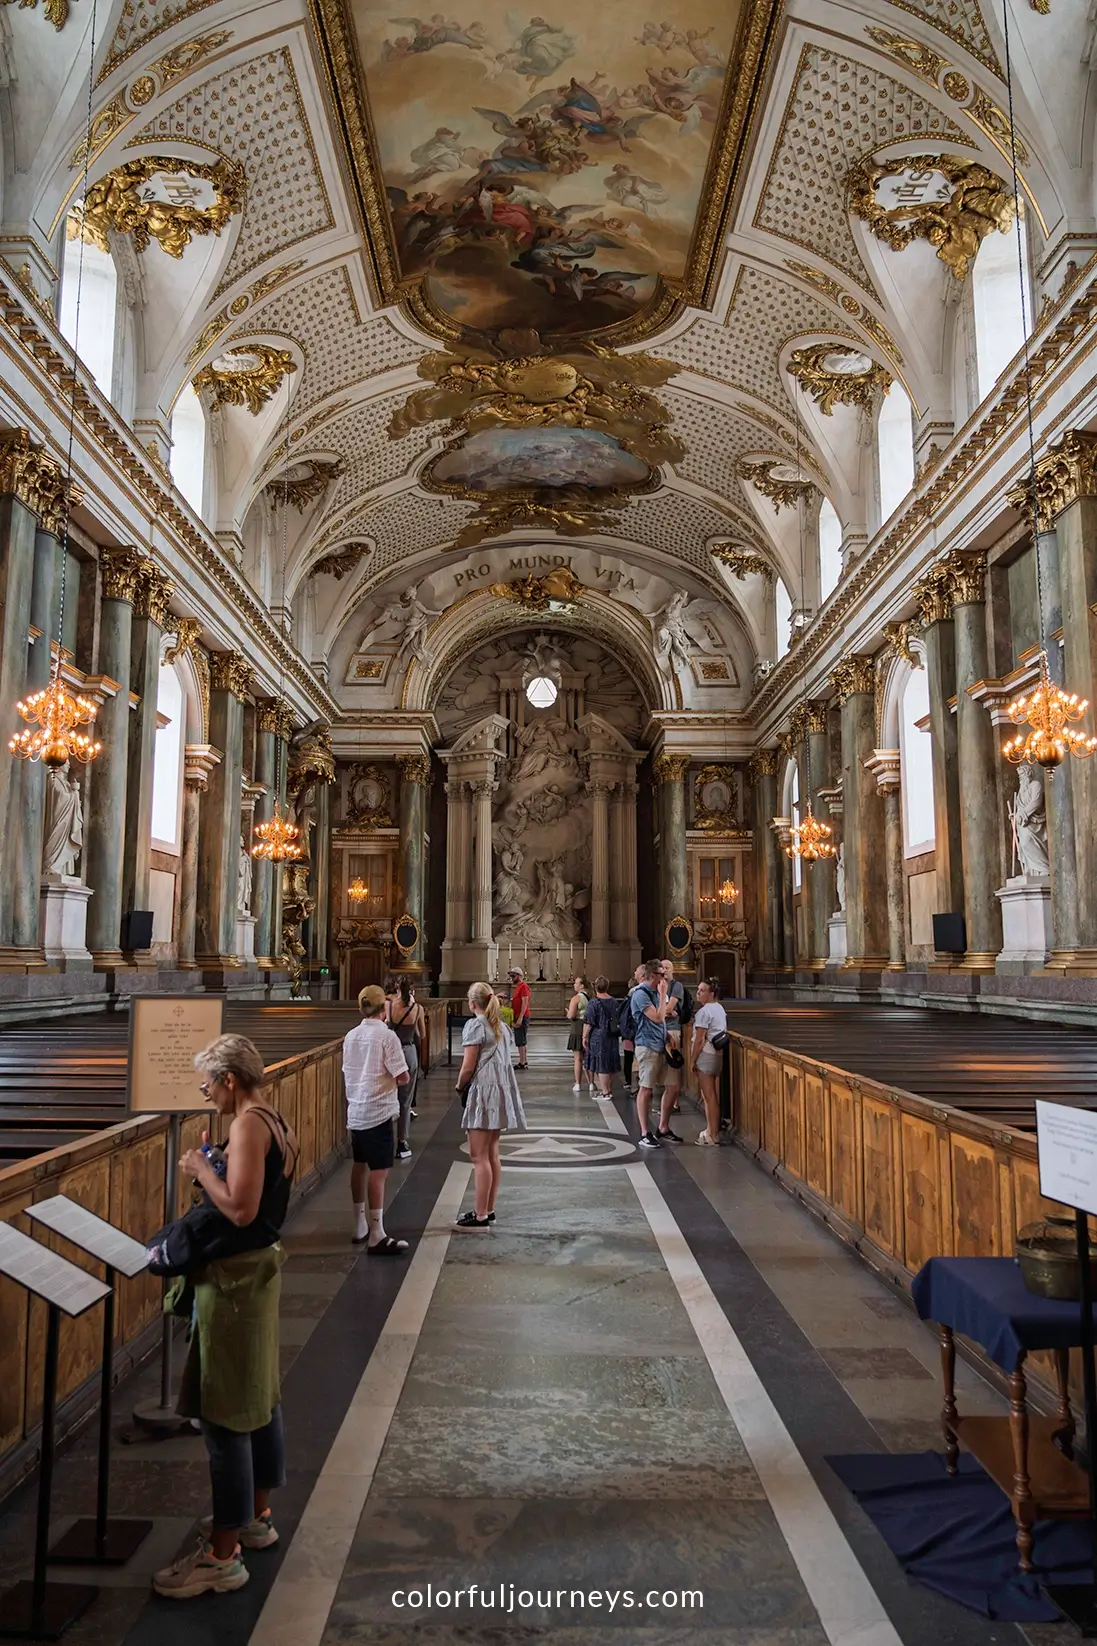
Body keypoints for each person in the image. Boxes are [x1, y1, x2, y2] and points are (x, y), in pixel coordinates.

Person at [152, 1035, 298, 1599]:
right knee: (257, 1399)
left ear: (230, 1080)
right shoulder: (272, 1117)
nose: (205, 1092)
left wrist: (199, 1167)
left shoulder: (248, 1125)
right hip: (255, 1276)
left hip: (235, 1283)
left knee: (224, 1415)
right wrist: (218, 1170)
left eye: (208, 1083)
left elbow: (240, 1208)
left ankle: (221, 1556)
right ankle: (256, 1517)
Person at [342, 985, 410, 1253]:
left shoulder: (351, 1035)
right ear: (384, 1008)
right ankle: (377, 1233)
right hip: (378, 1110)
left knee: (359, 1164)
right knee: (379, 1171)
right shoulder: (387, 1036)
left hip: (356, 1109)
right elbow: (403, 1076)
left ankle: (359, 1224)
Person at [456, 982, 527, 1226]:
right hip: (500, 1090)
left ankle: (480, 1215)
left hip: (484, 1091)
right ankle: (489, 1208)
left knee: (478, 1156)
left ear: (472, 1003)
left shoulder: (475, 1025)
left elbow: (468, 1066)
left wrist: (459, 1086)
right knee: (492, 1154)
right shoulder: (502, 1026)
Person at [628, 960, 678, 1148]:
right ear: (651, 976)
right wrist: (664, 994)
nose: (664, 977)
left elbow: (661, 1018)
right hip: (647, 1045)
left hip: (661, 1044)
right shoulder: (640, 994)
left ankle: (663, 1127)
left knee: (673, 1086)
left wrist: (666, 1034)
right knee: (646, 1088)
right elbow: (657, 1017)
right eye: (660, 974)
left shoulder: (656, 992)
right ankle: (644, 1133)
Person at [384, 974, 425, 1161]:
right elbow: (421, 1035)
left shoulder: (388, 1006)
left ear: (397, 988)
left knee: (386, 1094)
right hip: (408, 1052)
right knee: (405, 1100)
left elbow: (385, 1027)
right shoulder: (418, 1009)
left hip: (390, 1052)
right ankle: (402, 1142)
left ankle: (385, 1139)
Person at [691, 978, 728, 1146]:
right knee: (711, 1096)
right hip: (717, 1054)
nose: (698, 993)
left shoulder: (704, 1012)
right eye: (698, 990)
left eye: (702, 990)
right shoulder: (719, 1008)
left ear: (711, 994)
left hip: (706, 1055)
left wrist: (693, 1060)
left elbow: (699, 1039)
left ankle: (713, 1135)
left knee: (709, 1096)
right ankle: (710, 1130)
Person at [583, 976, 620, 1098]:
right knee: (611, 1063)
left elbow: (589, 1022)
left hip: (598, 1036)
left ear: (595, 987)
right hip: (612, 1034)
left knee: (601, 1064)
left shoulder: (593, 1002)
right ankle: (608, 1088)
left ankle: (606, 1092)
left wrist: (584, 1036)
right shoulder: (614, 1001)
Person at [620, 962, 645, 1093]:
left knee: (632, 1058)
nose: (634, 973)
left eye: (636, 971)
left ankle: (632, 1083)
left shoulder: (636, 993)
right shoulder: (639, 993)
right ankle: (639, 1086)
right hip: (635, 1030)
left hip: (633, 1031)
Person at [566, 974, 591, 1092]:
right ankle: (591, 1083)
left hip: (577, 1027)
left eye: (576, 983)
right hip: (588, 1027)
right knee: (588, 1057)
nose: (574, 985)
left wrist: (568, 1013)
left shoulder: (576, 998)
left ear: (581, 985)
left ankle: (578, 1083)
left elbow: (571, 1015)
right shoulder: (591, 997)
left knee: (578, 1058)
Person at [508, 966, 531, 1068]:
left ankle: (522, 1062)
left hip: (521, 1016)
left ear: (519, 975)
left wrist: (520, 1017)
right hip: (518, 1015)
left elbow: (525, 1002)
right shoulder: (518, 987)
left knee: (520, 1039)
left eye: (513, 976)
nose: (512, 978)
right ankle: (524, 1061)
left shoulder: (523, 986)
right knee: (521, 1039)